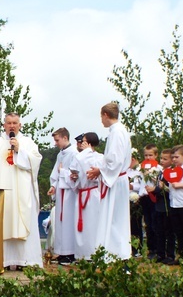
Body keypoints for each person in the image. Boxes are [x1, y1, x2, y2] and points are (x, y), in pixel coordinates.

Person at [0, 112, 43, 269]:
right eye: (9, 123)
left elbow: (35, 161)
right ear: (4, 125)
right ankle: (5, 261)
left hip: (23, 192)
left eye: (15, 123)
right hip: (3, 192)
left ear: (20, 125)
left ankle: (25, 261)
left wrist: (20, 151)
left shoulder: (27, 143)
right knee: (4, 224)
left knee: (24, 222)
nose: (12, 125)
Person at [86, 102, 132, 260]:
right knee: (113, 218)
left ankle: (117, 254)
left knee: (114, 218)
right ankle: (114, 253)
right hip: (116, 178)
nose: (101, 120)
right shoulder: (118, 131)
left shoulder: (117, 132)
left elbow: (114, 160)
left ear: (106, 114)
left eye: (101, 116)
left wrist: (100, 170)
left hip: (116, 180)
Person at [69, 132, 103, 260]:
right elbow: (74, 172)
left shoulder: (99, 157)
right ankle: (82, 254)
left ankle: (94, 252)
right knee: (82, 226)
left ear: (89, 143)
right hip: (83, 193)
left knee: (93, 224)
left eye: (83, 141)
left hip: (94, 193)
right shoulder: (80, 156)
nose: (81, 143)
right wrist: (74, 177)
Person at [47, 127, 77, 265]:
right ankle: (62, 251)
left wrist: (62, 172)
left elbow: (74, 174)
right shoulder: (61, 154)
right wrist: (53, 186)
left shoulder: (74, 153)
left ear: (65, 138)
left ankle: (70, 253)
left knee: (68, 222)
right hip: (61, 191)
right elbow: (55, 172)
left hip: (70, 193)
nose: (56, 143)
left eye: (57, 140)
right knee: (60, 222)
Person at [149, 148, 176, 264]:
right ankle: (160, 253)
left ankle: (170, 254)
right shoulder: (160, 172)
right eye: (161, 158)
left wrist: (157, 188)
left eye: (165, 159)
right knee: (159, 230)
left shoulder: (173, 172)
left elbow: (168, 189)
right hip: (159, 205)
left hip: (168, 206)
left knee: (169, 231)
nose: (162, 161)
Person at [139, 143, 160, 259]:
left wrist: (149, 174)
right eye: (146, 155)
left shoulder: (158, 168)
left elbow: (159, 182)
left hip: (154, 197)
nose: (147, 158)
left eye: (150, 155)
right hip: (145, 197)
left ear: (156, 155)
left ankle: (157, 249)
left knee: (154, 224)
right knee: (147, 224)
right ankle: (150, 249)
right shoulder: (141, 168)